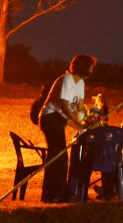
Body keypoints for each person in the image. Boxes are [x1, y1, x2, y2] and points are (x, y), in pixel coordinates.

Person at [38, 54, 96, 203]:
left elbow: (81, 107)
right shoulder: (67, 79)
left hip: (60, 119)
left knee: (59, 155)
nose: (92, 69)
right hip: (50, 117)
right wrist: (77, 122)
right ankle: (54, 194)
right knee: (59, 155)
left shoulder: (81, 83)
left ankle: (54, 193)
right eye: (91, 66)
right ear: (83, 66)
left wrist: (87, 121)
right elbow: (64, 105)